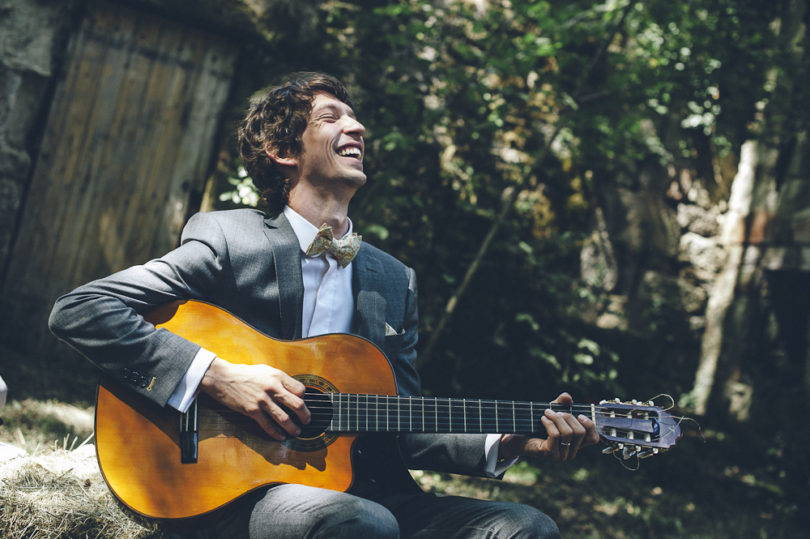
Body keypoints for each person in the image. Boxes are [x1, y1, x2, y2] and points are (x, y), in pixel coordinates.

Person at [49, 72, 599, 538]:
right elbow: (83, 309)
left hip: (371, 490)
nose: (356, 127)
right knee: (361, 523)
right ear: (284, 152)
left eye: (355, 119)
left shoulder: (393, 279)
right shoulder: (229, 237)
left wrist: (508, 440)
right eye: (332, 118)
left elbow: (400, 418)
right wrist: (217, 377)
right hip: (235, 489)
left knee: (524, 526)